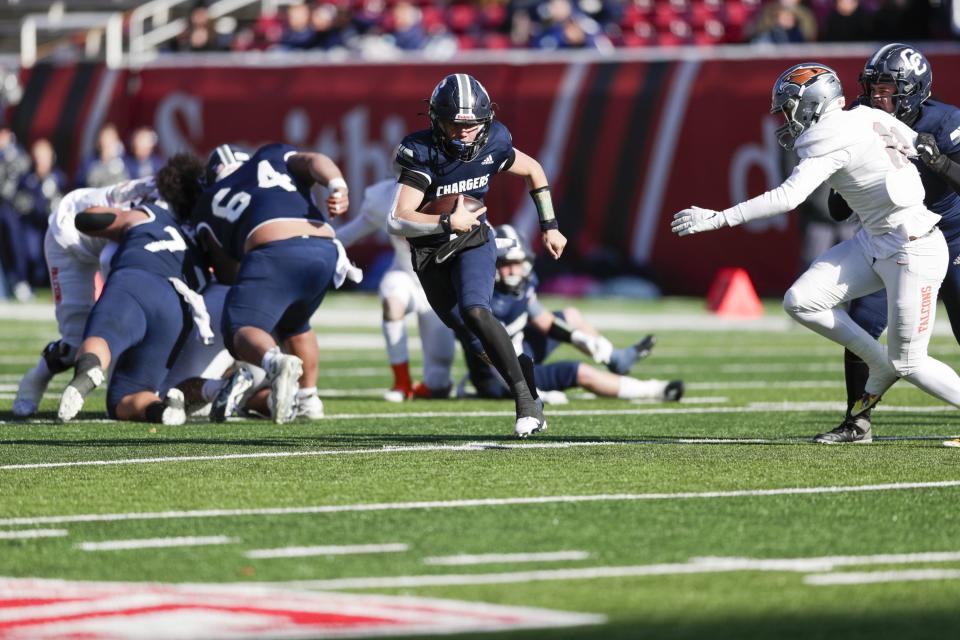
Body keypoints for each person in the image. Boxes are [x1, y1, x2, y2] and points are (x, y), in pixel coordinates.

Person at [671, 62, 960, 441]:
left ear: (812, 104)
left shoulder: (831, 133)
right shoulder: (866, 116)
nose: (788, 118)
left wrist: (718, 218)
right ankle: (877, 362)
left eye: (790, 108)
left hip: (913, 248)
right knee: (801, 300)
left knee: (910, 361)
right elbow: (906, 151)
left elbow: (787, 197)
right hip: (875, 240)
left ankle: (886, 371)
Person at [388, 73, 567, 438]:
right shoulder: (421, 151)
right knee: (468, 333)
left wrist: (549, 224)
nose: (464, 133)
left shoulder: (496, 140)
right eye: (456, 124)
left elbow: (533, 170)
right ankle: (525, 379)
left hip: (473, 239)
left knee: (476, 310)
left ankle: (525, 401)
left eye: (472, 125)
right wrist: (444, 220)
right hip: (429, 253)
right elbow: (398, 219)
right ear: (437, 120)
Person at [809, 45, 960, 445]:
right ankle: (858, 421)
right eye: (874, 86)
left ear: (914, 89)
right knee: (861, 322)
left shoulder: (945, 122)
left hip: (951, 234)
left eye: (888, 87)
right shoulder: (860, 118)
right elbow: (839, 207)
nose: (878, 96)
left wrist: (941, 163)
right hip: (893, 241)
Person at [174, 143, 354, 423]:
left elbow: (227, 275)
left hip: (274, 248)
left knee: (241, 327)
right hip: (326, 248)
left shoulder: (208, 200)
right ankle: (308, 399)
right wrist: (336, 185)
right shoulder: (271, 156)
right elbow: (315, 159)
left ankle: (275, 362)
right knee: (296, 323)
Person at [464, 224, 678, 403]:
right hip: (502, 371)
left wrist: (579, 338)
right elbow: (482, 352)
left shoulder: (524, 284)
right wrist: (527, 392)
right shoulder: (481, 294)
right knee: (578, 371)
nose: (513, 271)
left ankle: (615, 357)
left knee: (570, 316)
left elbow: (544, 320)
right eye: (505, 264)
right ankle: (653, 390)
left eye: (517, 263)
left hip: (521, 348)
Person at [12, 176, 157, 417]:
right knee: (78, 342)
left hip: (107, 242)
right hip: (69, 236)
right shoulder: (156, 203)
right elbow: (113, 259)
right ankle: (37, 377)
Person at [57, 198, 210, 424]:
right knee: (126, 394)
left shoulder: (153, 214)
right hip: (179, 309)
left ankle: (86, 372)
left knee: (103, 339)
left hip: (137, 281)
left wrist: (125, 209)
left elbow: (88, 219)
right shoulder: (202, 243)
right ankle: (161, 409)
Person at [337, 176, 456, 401]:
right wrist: (317, 245)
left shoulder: (451, 192)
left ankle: (475, 378)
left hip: (441, 284)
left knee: (439, 381)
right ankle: (402, 383)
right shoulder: (384, 198)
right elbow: (350, 233)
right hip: (406, 276)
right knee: (393, 302)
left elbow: (481, 229)